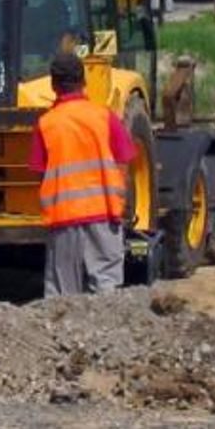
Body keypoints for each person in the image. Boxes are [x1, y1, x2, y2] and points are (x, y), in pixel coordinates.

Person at [29, 53, 136, 297]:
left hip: (64, 221)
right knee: (106, 290)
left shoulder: (46, 124)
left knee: (63, 297)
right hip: (104, 217)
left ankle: (63, 337)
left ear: (53, 85)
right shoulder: (104, 116)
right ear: (83, 80)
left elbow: (41, 175)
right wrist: (121, 205)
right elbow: (124, 165)